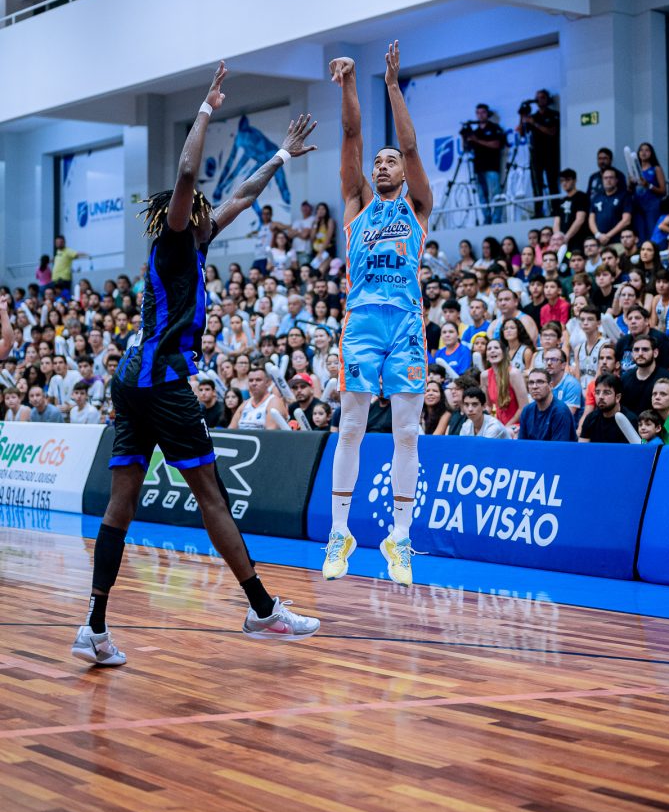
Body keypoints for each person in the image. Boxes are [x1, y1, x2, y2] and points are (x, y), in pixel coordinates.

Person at [71, 63, 320, 668]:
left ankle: (94, 627)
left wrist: (281, 156)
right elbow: (187, 174)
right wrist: (207, 107)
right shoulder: (176, 239)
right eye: (202, 209)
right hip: (160, 382)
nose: (213, 213)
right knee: (211, 496)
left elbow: (243, 195)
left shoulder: (198, 243)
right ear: (184, 216)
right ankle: (262, 610)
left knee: (122, 502)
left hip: (132, 381)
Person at [321, 41, 432, 588]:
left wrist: (391, 85)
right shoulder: (357, 204)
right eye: (378, 162)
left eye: (391, 161)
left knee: (407, 433)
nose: (383, 164)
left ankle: (401, 537)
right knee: (351, 428)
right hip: (362, 323)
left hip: (406, 324)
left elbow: (409, 144)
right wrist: (348, 83)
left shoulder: (417, 205)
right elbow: (350, 135)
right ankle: (340, 532)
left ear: (404, 173)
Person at [463, 104, 505, 224]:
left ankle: (496, 219)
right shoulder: (475, 132)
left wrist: (476, 140)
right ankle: (487, 219)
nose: (480, 115)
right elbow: (466, 149)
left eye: (483, 112)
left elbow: (496, 144)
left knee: (495, 193)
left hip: (492, 166)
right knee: (482, 196)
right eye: (478, 113)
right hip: (478, 168)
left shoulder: (494, 128)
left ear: (487, 114)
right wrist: (464, 137)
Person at [522, 89, 560, 202]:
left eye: (542, 97)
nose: (539, 100)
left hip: (550, 153)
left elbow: (552, 131)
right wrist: (522, 117)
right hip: (536, 154)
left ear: (547, 99)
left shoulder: (554, 115)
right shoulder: (533, 116)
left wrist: (534, 123)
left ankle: (555, 207)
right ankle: (538, 209)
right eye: (537, 98)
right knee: (536, 183)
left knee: (552, 183)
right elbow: (522, 133)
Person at [519, 369, 577, 441]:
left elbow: (558, 447)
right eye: (531, 382)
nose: (534, 386)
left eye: (540, 382)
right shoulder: (527, 411)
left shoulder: (560, 412)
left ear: (550, 386)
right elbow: (521, 444)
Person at [579, 374, 636, 443]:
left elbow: (643, 443)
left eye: (606, 393)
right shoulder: (590, 419)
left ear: (618, 397)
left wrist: (644, 441)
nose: (600, 397)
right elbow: (582, 447)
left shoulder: (631, 420)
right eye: (597, 392)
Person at [629, 142, 667, 243]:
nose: (643, 152)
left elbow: (663, 191)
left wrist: (648, 185)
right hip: (637, 206)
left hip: (652, 206)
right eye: (641, 150)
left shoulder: (656, 169)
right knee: (640, 234)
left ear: (651, 153)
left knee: (653, 233)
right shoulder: (633, 170)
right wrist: (631, 184)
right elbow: (629, 190)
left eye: (647, 150)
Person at [589, 168, 632, 245]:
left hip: (618, 242)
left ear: (616, 180)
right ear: (602, 180)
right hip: (599, 243)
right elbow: (591, 220)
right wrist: (598, 235)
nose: (608, 180)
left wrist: (607, 236)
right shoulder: (596, 197)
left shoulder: (624, 196)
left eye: (611, 177)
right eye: (605, 178)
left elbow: (626, 220)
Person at [552, 169, 589, 252]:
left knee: (575, 257)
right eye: (562, 181)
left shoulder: (581, 197)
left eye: (567, 180)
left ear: (574, 181)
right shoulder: (561, 201)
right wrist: (558, 238)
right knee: (567, 257)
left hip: (578, 240)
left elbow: (580, 219)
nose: (564, 183)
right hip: (564, 243)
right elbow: (556, 222)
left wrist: (566, 237)